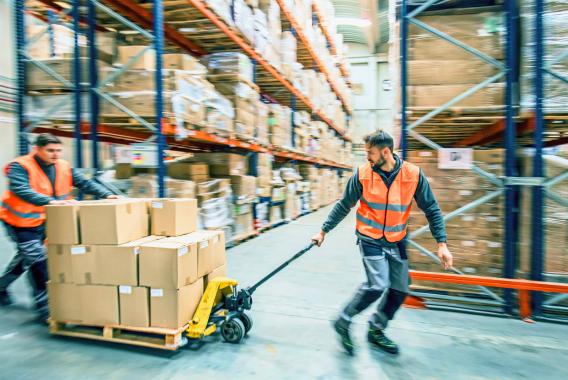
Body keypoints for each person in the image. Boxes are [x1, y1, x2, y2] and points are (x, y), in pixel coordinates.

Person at [311, 130, 452, 355]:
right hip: (370, 238)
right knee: (377, 285)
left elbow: (431, 208)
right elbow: (344, 205)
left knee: (400, 289)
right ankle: (343, 320)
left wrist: (442, 243)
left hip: (396, 239)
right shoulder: (362, 174)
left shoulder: (413, 174)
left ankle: (376, 329)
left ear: (386, 152)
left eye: (370, 152)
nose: (367, 156)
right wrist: (323, 231)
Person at [0, 133, 122, 321]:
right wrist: (51, 201)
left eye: (58, 150)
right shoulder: (21, 166)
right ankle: (47, 309)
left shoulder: (64, 166)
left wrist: (106, 194)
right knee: (38, 262)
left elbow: (84, 183)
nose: (56, 154)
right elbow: (21, 190)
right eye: (50, 150)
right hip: (19, 221)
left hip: (45, 220)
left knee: (25, 259)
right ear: (37, 149)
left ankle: (1, 287)